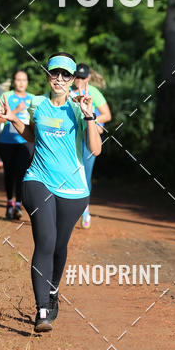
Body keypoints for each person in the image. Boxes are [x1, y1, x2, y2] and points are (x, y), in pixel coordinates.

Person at [0, 52, 101, 333]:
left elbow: (95, 149)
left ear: (73, 79)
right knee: (45, 241)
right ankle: (42, 310)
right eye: (55, 73)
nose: (60, 78)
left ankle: (53, 289)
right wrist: (12, 119)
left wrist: (89, 116)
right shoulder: (37, 103)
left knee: (59, 245)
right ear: (47, 75)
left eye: (66, 74)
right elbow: (32, 135)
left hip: (73, 189)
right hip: (38, 179)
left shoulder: (79, 107)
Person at [71, 63, 111, 227]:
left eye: (82, 77)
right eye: (77, 77)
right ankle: (69, 209)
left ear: (88, 78)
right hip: (70, 139)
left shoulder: (93, 92)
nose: (79, 80)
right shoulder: (67, 92)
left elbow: (107, 115)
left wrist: (90, 120)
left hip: (88, 139)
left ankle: (85, 209)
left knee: (85, 176)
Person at [0, 70, 35, 219]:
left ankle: (18, 204)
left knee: (22, 172)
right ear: (14, 81)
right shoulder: (6, 96)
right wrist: (16, 110)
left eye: (24, 80)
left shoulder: (33, 99)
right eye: (18, 80)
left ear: (27, 82)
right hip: (7, 141)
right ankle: (9, 202)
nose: (21, 83)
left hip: (25, 141)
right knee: (9, 172)